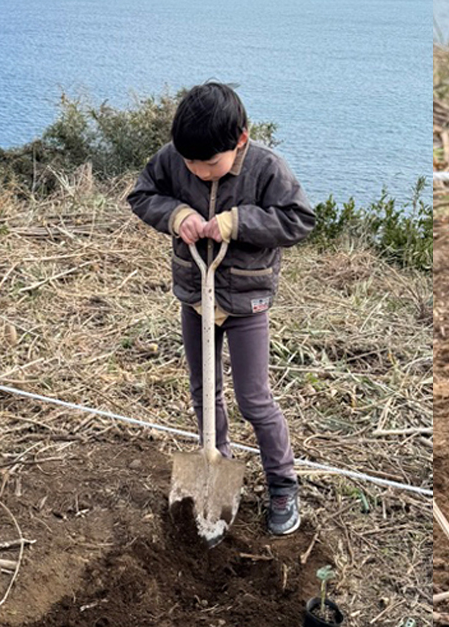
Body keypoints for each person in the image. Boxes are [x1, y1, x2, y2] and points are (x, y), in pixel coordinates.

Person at [128, 82, 316, 535]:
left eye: (210, 164)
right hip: (195, 297)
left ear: (241, 140)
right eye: (191, 164)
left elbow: (299, 219)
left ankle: (282, 483)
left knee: (254, 398)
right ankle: (217, 466)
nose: (199, 172)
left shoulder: (267, 168)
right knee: (202, 390)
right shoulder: (174, 158)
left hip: (246, 300)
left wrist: (237, 222)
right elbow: (142, 195)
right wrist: (176, 214)